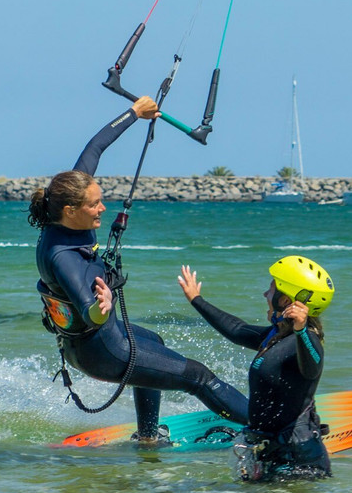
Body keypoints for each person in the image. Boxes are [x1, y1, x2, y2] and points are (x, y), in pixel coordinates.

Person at [29, 97, 249, 444]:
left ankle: (148, 436)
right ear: (71, 211)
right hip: (102, 350)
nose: (103, 207)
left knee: (154, 341)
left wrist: (135, 113)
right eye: (94, 204)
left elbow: (95, 147)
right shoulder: (63, 257)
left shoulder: (63, 215)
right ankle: (277, 430)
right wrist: (100, 311)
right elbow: (89, 312)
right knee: (199, 377)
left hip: (96, 340)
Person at [178, 255, 335, 481]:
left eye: (271, 290)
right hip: (272, 457)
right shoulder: (275, 337)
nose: (265, 294)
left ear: (284, 300)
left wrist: (301, 329)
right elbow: (236, 329)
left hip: (298, 464)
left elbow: (312, 369)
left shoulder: (306, 340)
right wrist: (196, 300)